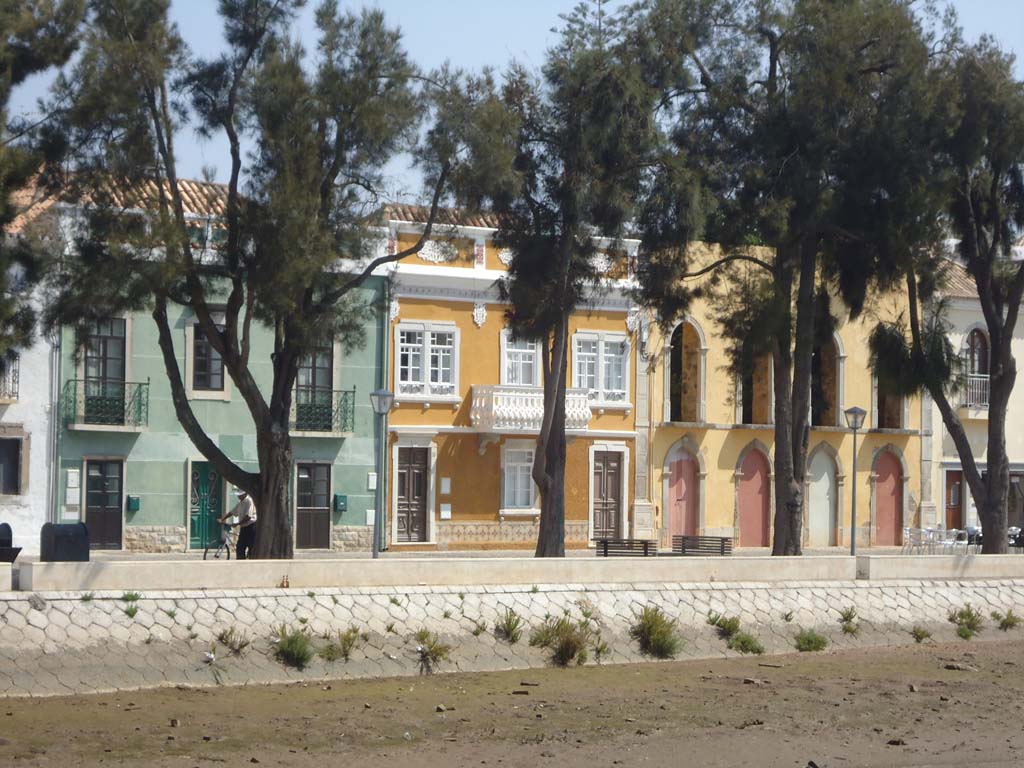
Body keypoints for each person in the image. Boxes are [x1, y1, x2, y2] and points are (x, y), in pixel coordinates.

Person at [221, 487, 257, 560]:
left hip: (251, 527)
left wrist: (237, 523)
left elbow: (248, 517)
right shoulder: (240, 503)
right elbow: (232, 512)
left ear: (245, 494)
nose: (238, 496)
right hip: (243, 528)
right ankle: (241, 562)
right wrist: (223, 519)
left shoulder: (249, 501)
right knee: (240, 547)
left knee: (251, 547)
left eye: (240, 495)